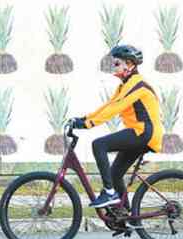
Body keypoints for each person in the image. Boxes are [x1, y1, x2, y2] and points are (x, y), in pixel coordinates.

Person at [70, 45, 164, 208]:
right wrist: (84, 119)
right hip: (139, 132)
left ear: (130, 64)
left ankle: (109, 192)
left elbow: (115, 109)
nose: (113, 67)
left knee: (99, 144)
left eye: (117, 64)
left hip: (144, 133)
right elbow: (108, 106)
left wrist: (87, 124)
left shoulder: (137, 85)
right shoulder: (124, 85)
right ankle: (126, 216)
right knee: (115, 174)